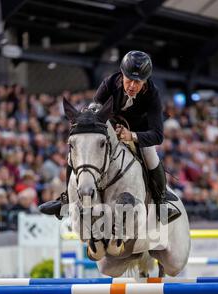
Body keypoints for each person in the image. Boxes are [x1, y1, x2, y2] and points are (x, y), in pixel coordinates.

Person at [39, 51, 180, 223]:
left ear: (145, 81)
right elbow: (96, 107)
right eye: (129, 79)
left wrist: (131, 136)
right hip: (110, 127)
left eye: (138, 82)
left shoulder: (152, 94)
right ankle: (66, 199)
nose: (132, 86)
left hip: (139, 131)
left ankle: (161, 202)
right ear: (122, 74)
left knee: (150, 156)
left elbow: (158, 136)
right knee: (77, 153)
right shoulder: (110, 82)